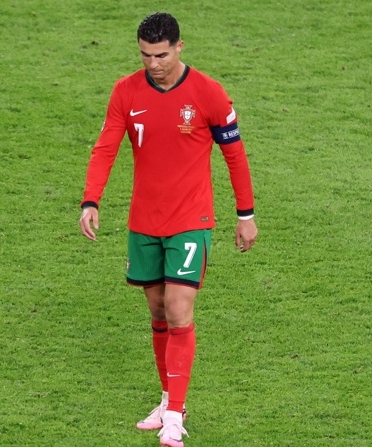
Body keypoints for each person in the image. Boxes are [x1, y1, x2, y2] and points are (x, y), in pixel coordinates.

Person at [78, 12, 257, 447]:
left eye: (160, 54)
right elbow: (106, 147)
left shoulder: (208, 93)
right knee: (157, 311)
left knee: (179, 309)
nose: (152, 63)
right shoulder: (126, 90)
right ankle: (167, 398)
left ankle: (175, 415)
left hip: (191, 220)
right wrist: (90, 199)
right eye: (144, 55)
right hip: (144, 221)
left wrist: (245, 214)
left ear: (180, 47)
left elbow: (235, 154)